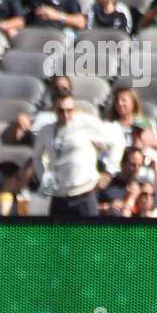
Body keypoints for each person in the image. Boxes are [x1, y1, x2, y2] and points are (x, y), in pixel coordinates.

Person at [29, 89, 121, 217]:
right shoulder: (46, 130)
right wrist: (47, 183)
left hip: (85, 194)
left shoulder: (85, 122)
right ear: (53, 109)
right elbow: (37, 158)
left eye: (69, 110)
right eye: (61, 111)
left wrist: (109, 172)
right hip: (59, 197)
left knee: (87, 237)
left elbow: (116, 142)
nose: (66, 115)